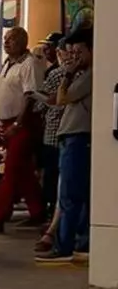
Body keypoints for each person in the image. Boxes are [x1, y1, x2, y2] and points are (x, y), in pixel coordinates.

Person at [37, 27, 93, 265]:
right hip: (71, 136)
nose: (73, 57)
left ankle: (65, 246)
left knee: (69, 195)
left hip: (79, 136)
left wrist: (68, 74)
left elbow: (62, 98)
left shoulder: (90, 74)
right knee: (75, 193)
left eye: (78, 51)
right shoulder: (84, 73)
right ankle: (79, 243)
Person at [0, 27, 47, 233]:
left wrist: (18, 124)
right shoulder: (7, 64)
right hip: (6, 123)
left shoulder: (29, 64)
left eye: (11, 39)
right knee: (23, 172)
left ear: (23, 41)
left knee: (10, 171)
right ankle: (38, 212)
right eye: (5, 39)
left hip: (22, 124)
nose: (7, 42)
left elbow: (30, 97)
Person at [32, 36, 68, 248]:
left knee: (54, 179)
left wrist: (36, 97)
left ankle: (52, 223)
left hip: (54, 132)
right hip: (61, 132)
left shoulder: (56, 74)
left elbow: (48, 102)